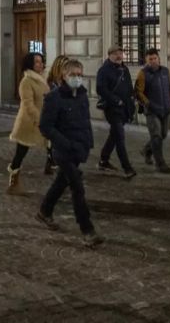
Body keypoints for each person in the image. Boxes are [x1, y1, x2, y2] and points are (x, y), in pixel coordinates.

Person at [36, 59, 102, 248]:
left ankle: (44, 211)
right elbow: (45, 126)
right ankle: (87, 230)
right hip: (63, 151)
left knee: (61, 182)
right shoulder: (54, 97)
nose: (77, 78)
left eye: (80, 74)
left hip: (78, 149)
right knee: (77, 188)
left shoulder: (82, 95)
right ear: (64, 76)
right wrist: (64, 143)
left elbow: (85, 121)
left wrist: (88, 142)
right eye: (73, 75)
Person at [6, 52, 49, 195]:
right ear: (30, 64)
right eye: (37, 62)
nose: (40, 64)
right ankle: (13, 181)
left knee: (54, 146)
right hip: (29, 124)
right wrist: (41, 120)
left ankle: (60, 172)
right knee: (20, 153)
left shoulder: (42, 79)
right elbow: (29, 105)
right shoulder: (26, 82)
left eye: (41, 61)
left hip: (43, 122)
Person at [96, 46, 137, 179]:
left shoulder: (124, 69)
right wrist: (115, 100)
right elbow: (100, 89)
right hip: (112, 109)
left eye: (120, 53)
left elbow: (129, 89)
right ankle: (127, 168)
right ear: (109, 55)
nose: (119, 56)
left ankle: (103, 160)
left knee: (114, 135)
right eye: (115, 54)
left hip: (124, 109)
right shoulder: (104, 70)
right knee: (119, 136)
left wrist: (131, 107)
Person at [135, 48, 170, 174]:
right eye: (150, 59)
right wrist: (148, 103)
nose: (153, 61)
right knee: (156, 136)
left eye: (155, 58)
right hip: (152, 111)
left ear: (159, 58)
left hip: (166, 109)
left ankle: (146, 150)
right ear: (146, 60)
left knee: (163, 134)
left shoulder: (165, 71)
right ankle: (160, 164)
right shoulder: (143, 73)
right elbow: (138, 92)